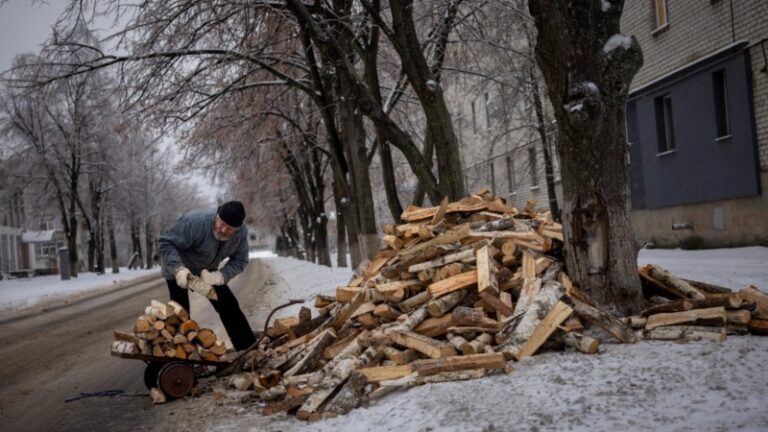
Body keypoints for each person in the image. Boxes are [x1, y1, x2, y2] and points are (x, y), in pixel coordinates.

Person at [157, 200, 256, 351]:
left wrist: (221, 276)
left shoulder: (241, 233)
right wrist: (178, 269)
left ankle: (248, 350)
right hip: (180, 270)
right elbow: (165, 243)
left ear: (237, 229)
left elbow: (241, 259)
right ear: (217, 215)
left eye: (229, 229)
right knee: (180, 315)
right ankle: (180, 359)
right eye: (221, 223)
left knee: (229, 306)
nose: (223, 230)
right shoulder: (195, 222)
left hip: (207, 272)